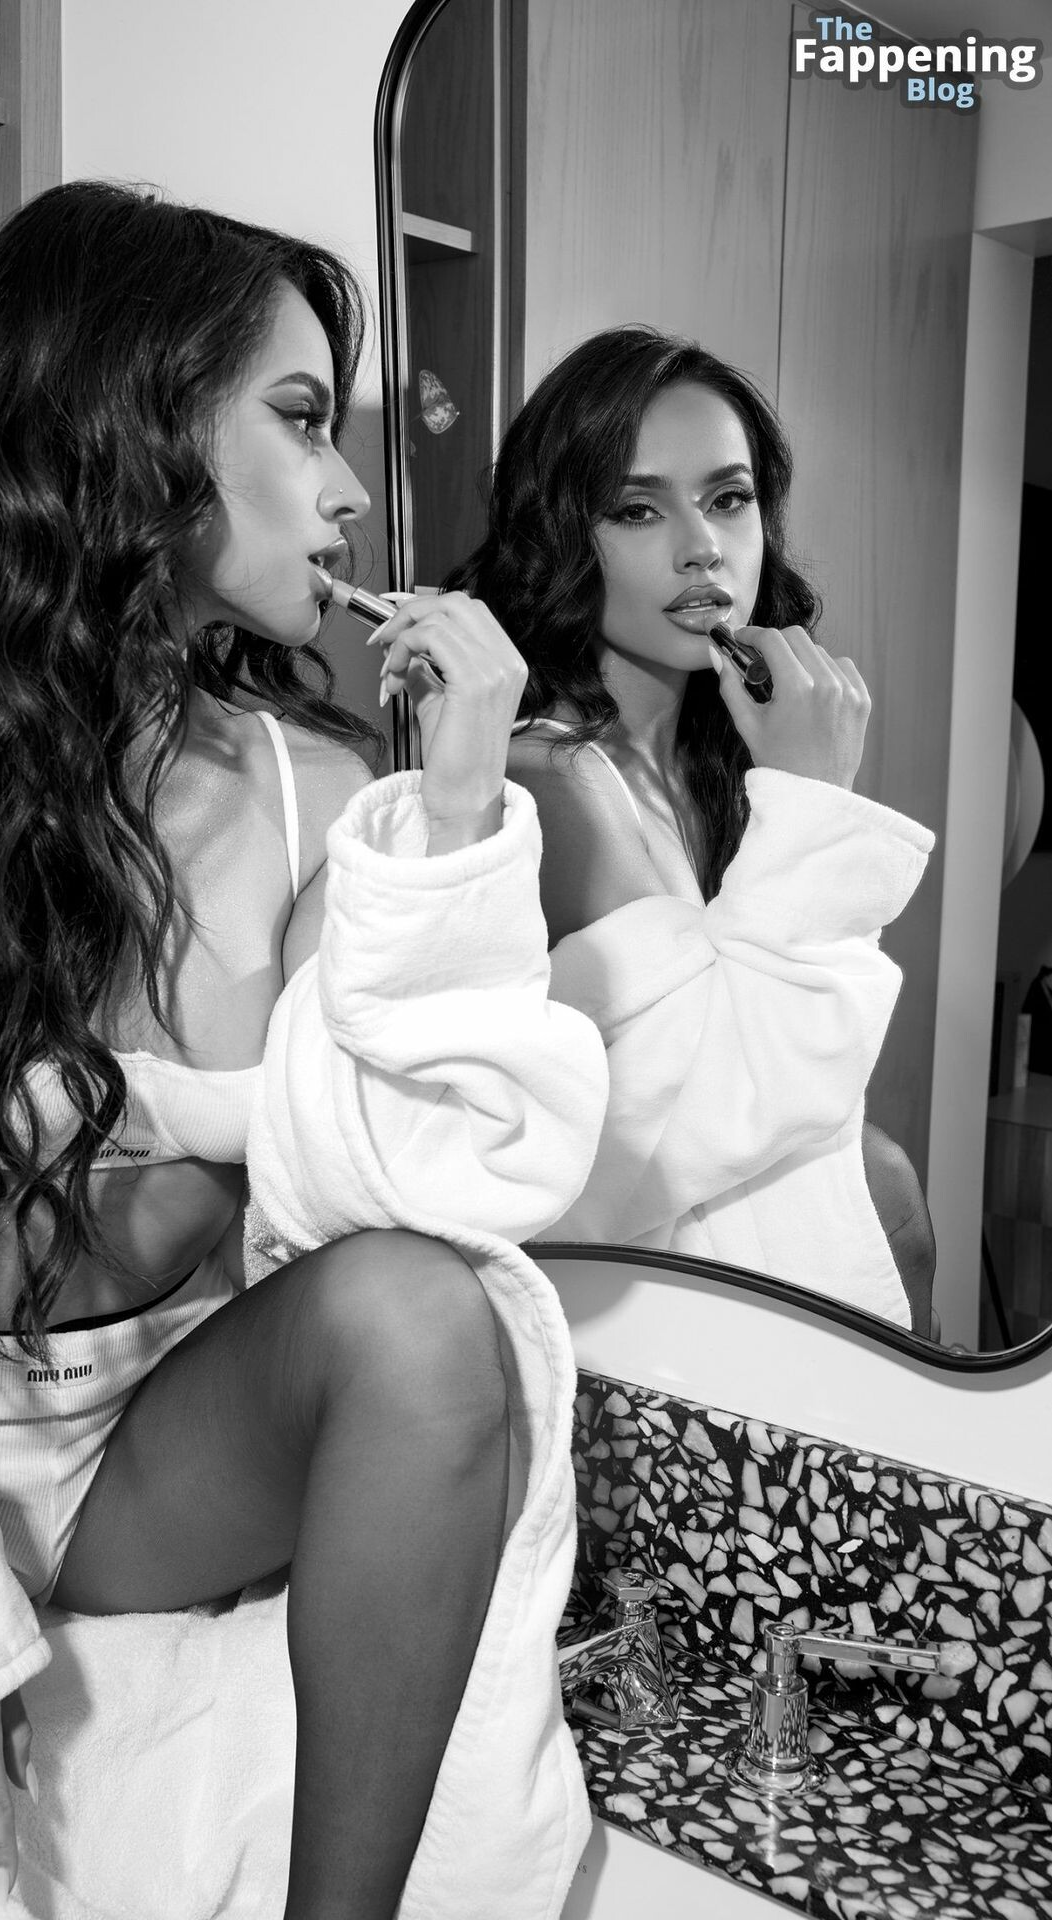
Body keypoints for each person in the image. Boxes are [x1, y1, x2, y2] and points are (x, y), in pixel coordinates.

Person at [0, 182, 608, 1920]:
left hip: (143, 1452)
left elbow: (421, 1184)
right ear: (128, 428)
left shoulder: (324, 794)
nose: (352, 489)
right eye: (299, 420)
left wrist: (459, 813)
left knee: (426, 1316)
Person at [445, 325, 936, 1332]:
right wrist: (816, 801)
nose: (702, 546)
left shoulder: (719, 760)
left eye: (728, 498)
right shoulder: (552, 778)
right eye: (637, 509)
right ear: (558, 538)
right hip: (617, 1308)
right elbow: (729, 1098)